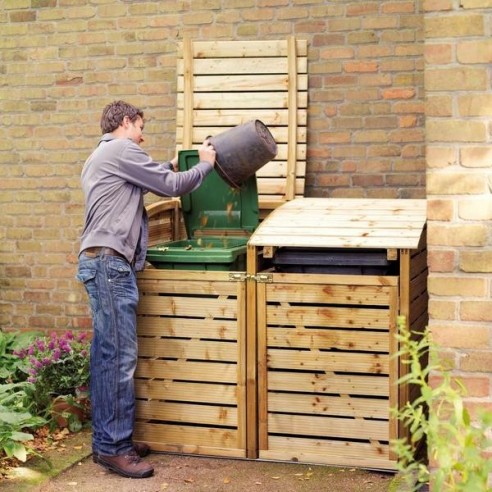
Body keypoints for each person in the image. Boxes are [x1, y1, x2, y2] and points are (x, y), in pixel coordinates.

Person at [76, 100, 216, 479]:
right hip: (109, 265)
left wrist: (170, 164)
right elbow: (170, 187)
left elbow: (152, 177)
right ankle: (114, 448)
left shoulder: (101, 155)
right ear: (126, 122)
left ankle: (110, 442)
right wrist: (205, 162)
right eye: (141, 126)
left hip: (99, 263)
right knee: (118, 360)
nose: (143, 134)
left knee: (109, 359)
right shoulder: (123, 149)